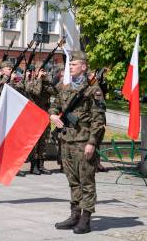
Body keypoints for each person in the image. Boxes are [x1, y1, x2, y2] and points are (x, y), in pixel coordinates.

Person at [49, 51, 106, 234]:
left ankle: (86, 219)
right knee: (72, 180)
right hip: (66, 140)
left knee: (86, 181)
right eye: (70, 65)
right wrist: (52, 116)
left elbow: (98, 120)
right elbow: (54, 105)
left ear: (83, 67)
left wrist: (92, 143)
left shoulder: (93, 90)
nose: (70, 67)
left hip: (83, 141)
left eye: (74, 65)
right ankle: (74, 215)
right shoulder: (65, 88)